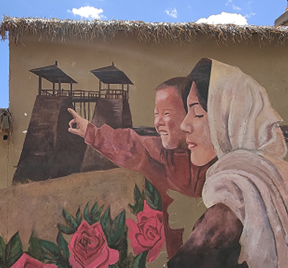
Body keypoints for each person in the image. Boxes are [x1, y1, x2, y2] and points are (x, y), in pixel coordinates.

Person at [167, 58, 288, 268]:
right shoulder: (283, 184)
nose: (184, 124)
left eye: (198, 113)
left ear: (230, 119)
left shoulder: (232, 201)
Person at [67, 78, 216, 258]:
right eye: (156, 114)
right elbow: (128, 144)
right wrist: (91, 132)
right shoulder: (159, 153)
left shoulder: (215, 159)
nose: (158, 121)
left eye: (166, 113)